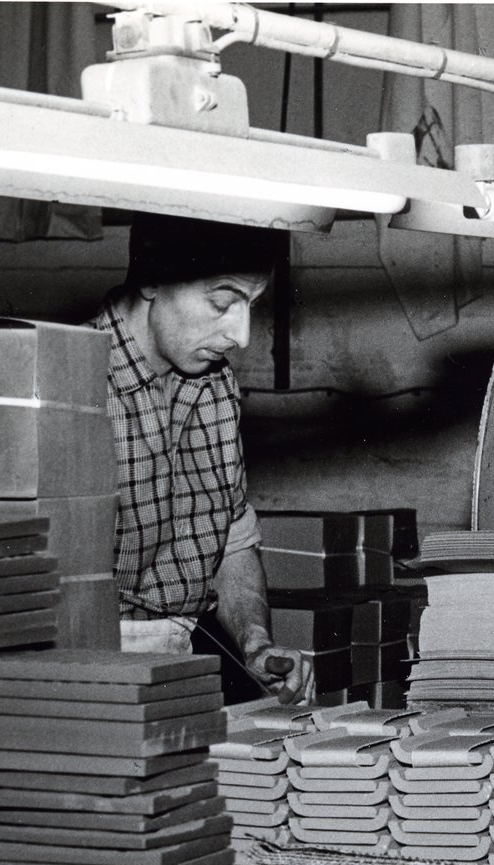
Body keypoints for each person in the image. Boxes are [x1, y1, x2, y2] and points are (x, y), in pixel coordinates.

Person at [91, 213, 309, 700]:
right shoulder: (73, 383)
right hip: (82, 672)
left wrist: (256, 644)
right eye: (222, 303)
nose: (243, 336)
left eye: (251, 306)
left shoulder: (215, 385)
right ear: (152, 277)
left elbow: (229, 539)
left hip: (181, 666)